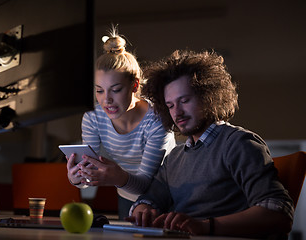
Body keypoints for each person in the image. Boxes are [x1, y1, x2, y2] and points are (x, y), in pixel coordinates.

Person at [127, 49, 294, 238]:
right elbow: (149, 199)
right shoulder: (174, 157)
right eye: (171, 105)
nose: (177, 112)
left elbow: (279, 214)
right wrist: (143, 208)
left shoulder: (239, 144)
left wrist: (206, 226)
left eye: (185, 100)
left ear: (209, 97)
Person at [66, 26, 175, 219]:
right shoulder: (93, 117)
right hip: (125, 195)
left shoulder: (157, 120)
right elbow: (87, 171)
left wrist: (117, 177)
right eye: (99, 90)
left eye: (115, 90)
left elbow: (146, 183)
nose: (106, 100)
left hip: (164, 197)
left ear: (134, 85)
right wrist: (77, 178)